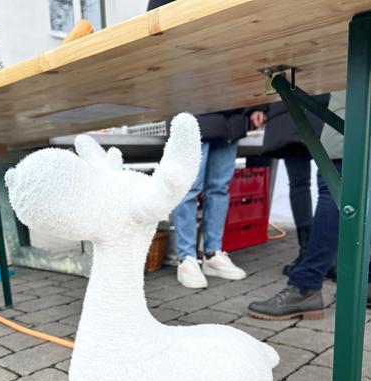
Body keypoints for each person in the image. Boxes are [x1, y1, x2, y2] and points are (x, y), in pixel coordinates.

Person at [147, 0, 247, 288]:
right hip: (191, 95)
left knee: (219, 187)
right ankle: (186, 258)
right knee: (189, 187)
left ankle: (213, 253)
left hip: (230, 105)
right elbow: (155, 28)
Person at [247, 91, 371, 320]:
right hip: (347, 111)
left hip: (350, 110)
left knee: (334, 186)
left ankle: (306, 286)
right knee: (352, 190)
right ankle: (367, 281)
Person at [250, 94, 330, 275]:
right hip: (317, 104)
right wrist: (258, 107)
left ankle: (309, 251)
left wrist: (258, 107)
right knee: (328, 182)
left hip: (289, 106)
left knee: (307, 183)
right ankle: (326, 254)